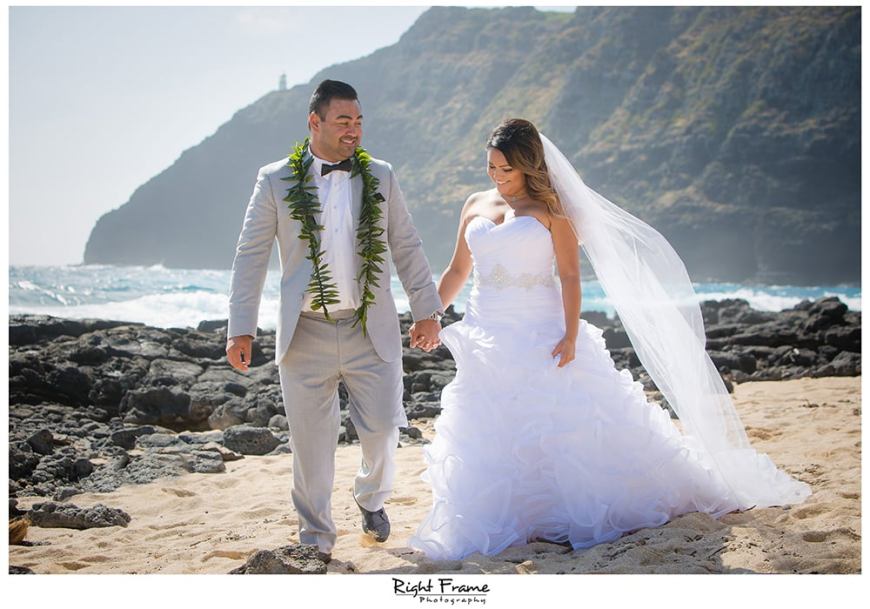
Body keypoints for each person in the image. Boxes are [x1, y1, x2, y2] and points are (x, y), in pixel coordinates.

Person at [409, 118, 811, 560]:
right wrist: (431, 314)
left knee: (561, 425)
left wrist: (570, 334)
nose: (497, 176)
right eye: (491, 166)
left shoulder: (552, 209)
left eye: (505, 168)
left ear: (527, 165)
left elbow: (568, 274)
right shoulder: (474, 203)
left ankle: (568, 511)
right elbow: (458, 271)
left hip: (540, 331)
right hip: (487, 331)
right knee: (490, 426)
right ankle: (521, 516)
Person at [226, 79, 443, 563]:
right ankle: (316, 541)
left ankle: (371, 498)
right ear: (314, 123)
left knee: (385, 429)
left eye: (359, 120)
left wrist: (427, 310)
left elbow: (406, 244)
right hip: (304, 333)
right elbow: (251, 255)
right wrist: (241, 327)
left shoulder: (380, 175)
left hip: (371, 327)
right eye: (343, 121)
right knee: (310, 445)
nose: (354, 130)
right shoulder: (275, 179)